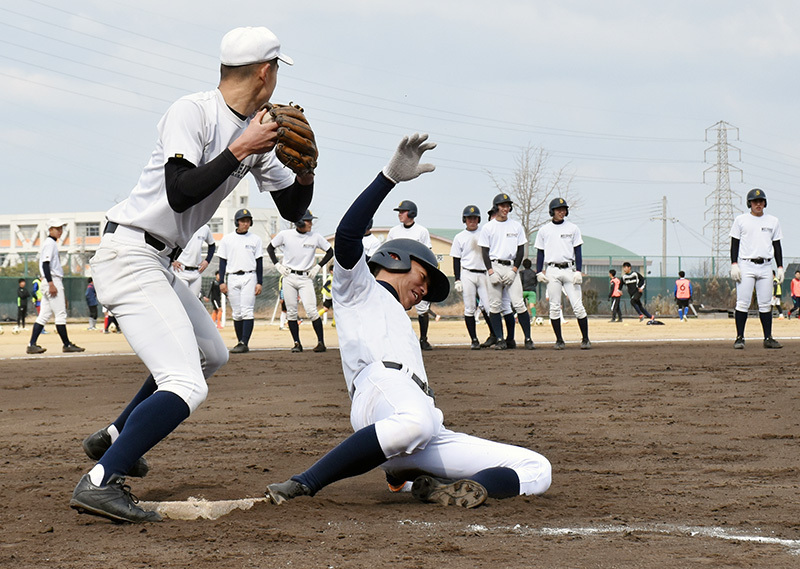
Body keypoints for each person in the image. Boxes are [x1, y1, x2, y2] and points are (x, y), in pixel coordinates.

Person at [70, 26, 313, 523]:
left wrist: (306, 169)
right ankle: (100, 481)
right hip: (129, 249)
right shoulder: (193, 111)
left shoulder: (257, 131)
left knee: (211, 354)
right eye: (274, 72)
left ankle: (116, 438)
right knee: (185, 382)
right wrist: (242, 148)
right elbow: (180, 191)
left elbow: (292, 208)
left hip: (158, 260)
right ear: (265, 72)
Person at [265, 133, 551, 509]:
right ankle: (303, 483)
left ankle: (445, 486)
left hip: (422, 423)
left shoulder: (400, 319)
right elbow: (350, 231)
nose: (423, 291)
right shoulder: (360, 286)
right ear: (396, 259)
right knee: (416, 422)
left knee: (536, 468)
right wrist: (389, 177)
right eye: (424, 278)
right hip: (381, 393)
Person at [267, 209, 333, 352]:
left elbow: (330, 251)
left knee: (312, 311)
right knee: (291, 311)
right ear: (300, 221)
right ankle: (297, 343)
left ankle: (321, 342)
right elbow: (270, 248)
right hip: (289, 276)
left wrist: (318, 267)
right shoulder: (286, 235)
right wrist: (278, 265)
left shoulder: (315, 237)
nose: (311, 223)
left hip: (306, 277)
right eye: (308, 220)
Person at [478, 193, 535, 350]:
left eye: (508, 205)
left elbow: (520, 251)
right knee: (495, 305)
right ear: (496, 207)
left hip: (511, 267)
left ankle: (528, 339)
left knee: (519, 304)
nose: (506, 208)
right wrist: (490, 271)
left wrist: (514, 270)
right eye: (502, 205)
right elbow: (484, 251)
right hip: (495, 266)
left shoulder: (516, 226)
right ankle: (500, 339)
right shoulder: (488, 227)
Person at [729, 188, 784, 349]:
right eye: (755, 201)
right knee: (742, 303)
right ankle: (739, 337)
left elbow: (777, 245)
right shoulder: (741, 220)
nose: (758, 204)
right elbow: (734, 244)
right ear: (749, 203)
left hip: (766, 265)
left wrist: (779, 266)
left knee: (766, 304)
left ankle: (768, 337)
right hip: (746, 264)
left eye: (761, 201)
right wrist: (734, 264)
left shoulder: (773, 221)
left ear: (765, 203)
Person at [534, 198, 591, 350]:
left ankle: (585, 339)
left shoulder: (572, 228)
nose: (561, 212)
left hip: (569, 269)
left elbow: (578, 252)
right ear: (552, 211)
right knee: (554, 307)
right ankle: (559, 340)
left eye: (564, 209)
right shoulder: (544, 230)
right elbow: (540, 253)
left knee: (578, 306)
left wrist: (578, 270)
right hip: (552, 269)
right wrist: (539, 271)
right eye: (558, 209)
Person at [26, 219, 85, 355]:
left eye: (61, 228)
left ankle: (32, 345)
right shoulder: (50, 243)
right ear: (50, 229)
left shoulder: (50, 243)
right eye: (57, 228)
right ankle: (67, 344)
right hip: (52, 280)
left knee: (44, 315)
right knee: (61, 314)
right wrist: (51, 283)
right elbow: (46, 264)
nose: (60, 231)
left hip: (49, 280)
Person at [387, 199, 437, 350]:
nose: (400, 214)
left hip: (416, 272)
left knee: (422, 308)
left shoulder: (421, 231)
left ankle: (423, 339)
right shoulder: (394, 231)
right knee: (398, 306)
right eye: (399, 212)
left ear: (412, 213)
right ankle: (400, 338)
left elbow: (427, 253)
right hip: (399, 272)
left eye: (402, 212)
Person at [218, 208, 264, 353]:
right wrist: (222, 281)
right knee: (236, 313)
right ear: (237, 222)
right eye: (243, 220)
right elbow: (222, 262)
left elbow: (259, 262)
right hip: (232, 277)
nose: (245, 223)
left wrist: (259, 282)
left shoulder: (255, 239)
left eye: (248, 221)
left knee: (247, 311)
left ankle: (244, 342)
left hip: (249, 276)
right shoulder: (227, 239)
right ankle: (240, 342)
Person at [450, 205, 491, 349]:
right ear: (464, 220)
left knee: (488, 306)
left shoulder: (484, 232)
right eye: (469, 218)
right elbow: (456, 259)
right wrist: (457, 279)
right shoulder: (459, 237)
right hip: (467, 273)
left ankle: (493, 334)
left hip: (483, 273)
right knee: (470, 308)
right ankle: (474, 339)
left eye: (474, 218)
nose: (472, 221)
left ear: (478, 219)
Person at [172, 225, 216, 298]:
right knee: (182, 298)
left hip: (196, 271)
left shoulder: (204, 228)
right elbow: (169, 242)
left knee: (194, 300)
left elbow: (212, 245)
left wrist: (207, 261)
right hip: (181, 270)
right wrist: (172, 260)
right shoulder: (182, 224)